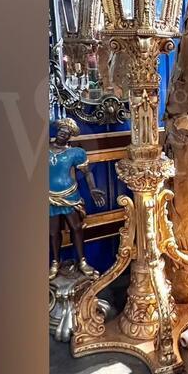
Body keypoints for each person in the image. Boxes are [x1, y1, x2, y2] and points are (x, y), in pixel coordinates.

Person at [49, 118, 106, 279]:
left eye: (67, 133)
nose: (63, 134)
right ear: (57, 131)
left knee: (76, 228)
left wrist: (93, 189)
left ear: (70, 136)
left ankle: (82, 261)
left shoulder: (75, 153)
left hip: (70, 195)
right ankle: (55, 262)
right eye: (61, 130)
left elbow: (87, 172)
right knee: (53, 232)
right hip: (50, 197)